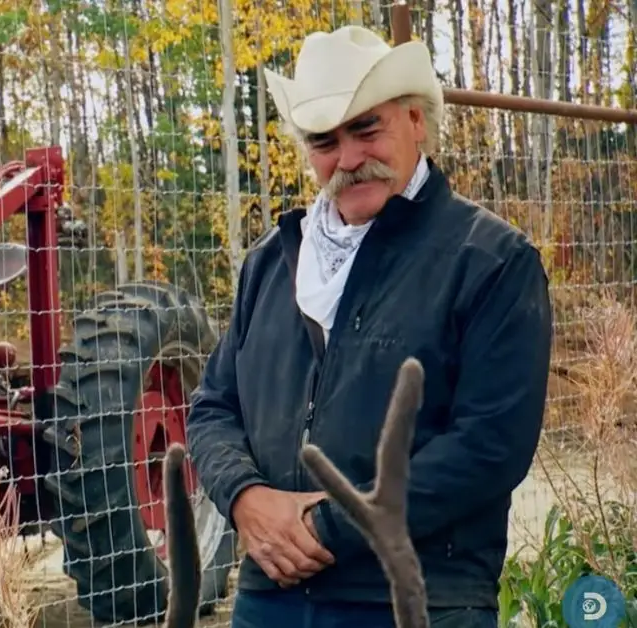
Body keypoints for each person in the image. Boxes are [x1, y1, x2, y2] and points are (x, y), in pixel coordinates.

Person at [185, 25, 552, 627]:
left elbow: (490, 445)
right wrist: (245, 499)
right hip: (269, 597)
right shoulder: (273, 264)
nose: (349, 159)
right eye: (325, 140)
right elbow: (213, 407)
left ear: (416, 121)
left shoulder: (489, 261)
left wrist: (327, 524)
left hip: (417, 596)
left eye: (366, 128)